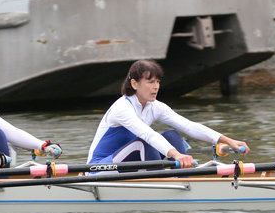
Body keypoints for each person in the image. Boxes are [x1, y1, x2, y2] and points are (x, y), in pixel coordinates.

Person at [87, 59, 250, 168]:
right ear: (135, 84)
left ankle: (186, 178)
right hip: (101, 167)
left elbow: (189, 126)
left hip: (128, 163)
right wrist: (177, 155)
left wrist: (228, 140)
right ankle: (160, 183)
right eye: (150, 82)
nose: (156, 86)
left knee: (172, 135)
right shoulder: (122, 108)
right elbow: (149, 135)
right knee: (144, 142)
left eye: (158, 81)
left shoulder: (154, 106)